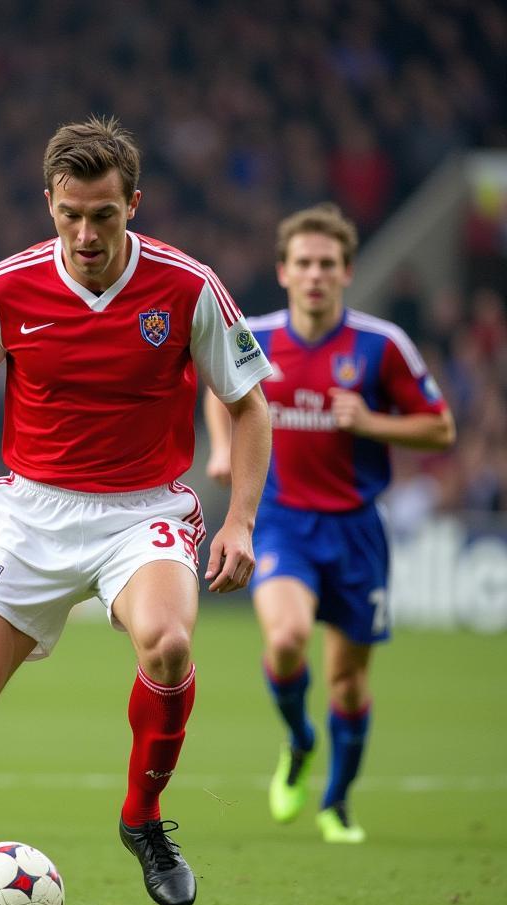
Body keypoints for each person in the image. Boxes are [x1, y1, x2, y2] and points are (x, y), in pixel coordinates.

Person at [0, 115, 273, 905]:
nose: (85, 233)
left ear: (133, 206)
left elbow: (248, 405)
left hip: (143, 510)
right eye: (71, 214)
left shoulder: (187, 287)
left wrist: (242, 521)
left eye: (104, 215)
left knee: (170, 645)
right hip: (33, 515)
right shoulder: (4, 286)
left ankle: (142, 819)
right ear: (49, 205)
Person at [204, 203, 455, 843]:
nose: (315, 274)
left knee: (348, 681)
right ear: (284, 272)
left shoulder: (381, 345)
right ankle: (298, 739)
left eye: (328, 264)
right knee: (285, 639)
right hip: (282, 521)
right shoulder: (254, 334)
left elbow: (440, 427)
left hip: (356, 531)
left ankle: (336, 805)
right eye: (304, 263)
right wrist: (222, 449)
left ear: (346, 271)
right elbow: (215, 386)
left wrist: (371, 421)